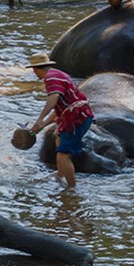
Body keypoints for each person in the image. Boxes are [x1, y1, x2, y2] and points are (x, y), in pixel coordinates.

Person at [25, 53, 94, 190]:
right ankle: (60, 176)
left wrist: (39, 119)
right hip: (77, 114)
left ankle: (71, 188)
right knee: (58, 140)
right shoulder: (57, 74)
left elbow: (54, 97)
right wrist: (41, 126)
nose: (34, 73)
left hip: (76, 118)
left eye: (34, 70)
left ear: (37, 69)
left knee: (63, 155)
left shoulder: (50, 78)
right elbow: (59, 110)